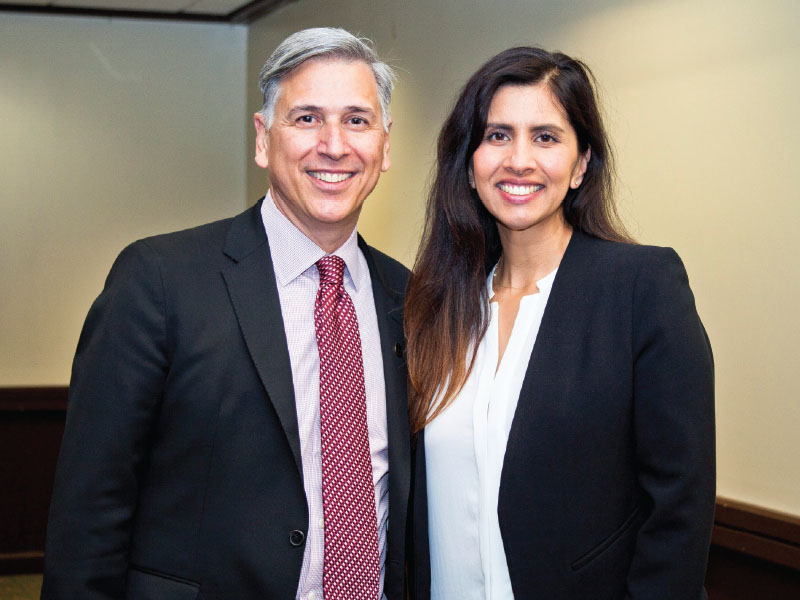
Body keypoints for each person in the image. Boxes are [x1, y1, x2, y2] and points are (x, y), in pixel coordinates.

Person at [41, 27, 410, 600]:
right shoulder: (159, 280)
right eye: (306, 118)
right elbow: (90, 513)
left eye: (357, 120)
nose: (334, 144)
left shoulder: (409, 300)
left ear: (385, 147)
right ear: (263, 139)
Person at [405, 46, 715, 599]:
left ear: (580, 164)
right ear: (469, 161)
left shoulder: (642, 288)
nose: (518, 159)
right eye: (497, 135)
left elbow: (679, 506)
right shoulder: (435, 304)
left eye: (545, 137)